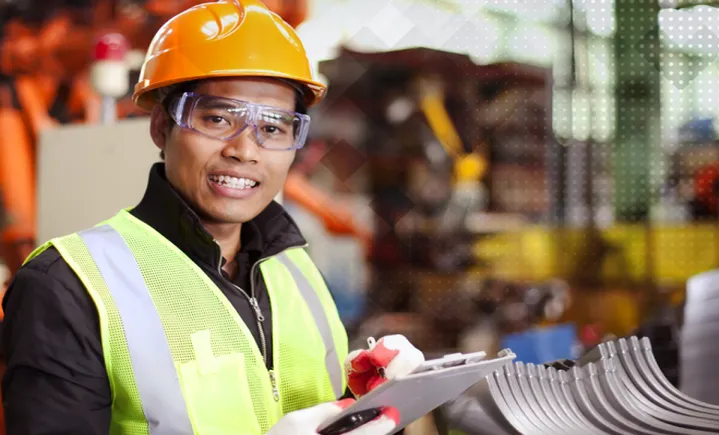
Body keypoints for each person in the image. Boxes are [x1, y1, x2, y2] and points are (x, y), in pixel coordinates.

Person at [0, 0, 425, 433]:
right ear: (161, 128)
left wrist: (370, 402)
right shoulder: (69, 284)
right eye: (219, 118)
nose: (244, 149)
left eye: (274, 128)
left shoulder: (294, 266)